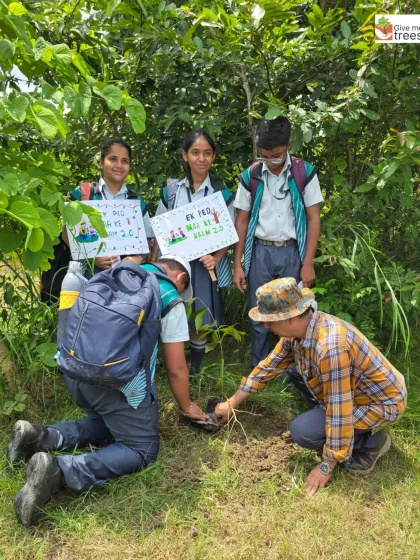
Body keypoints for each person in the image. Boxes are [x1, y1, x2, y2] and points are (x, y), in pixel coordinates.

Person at [7, 255, 208, 527]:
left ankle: (38, 436)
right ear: (181, 278)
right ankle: (58, 471)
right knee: (141, 448)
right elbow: (176, 368)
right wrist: (186, 406)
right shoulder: (170, 296)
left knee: (108, 423)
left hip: (75, 373)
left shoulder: (114, 274)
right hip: (115, 385)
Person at [214, 278, 407, 496]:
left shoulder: (330, 347)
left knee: (302, 432)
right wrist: (231, 403)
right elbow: (268, 367)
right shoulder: (297, 333)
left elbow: (339, 413)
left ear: (293, 318)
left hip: (381, 402)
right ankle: (337, 427)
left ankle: (371, 443)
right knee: (296, 372)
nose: (266, 325)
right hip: (351, 391)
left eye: (271, 320)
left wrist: (326, 465)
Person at [233, 116, 324, 367]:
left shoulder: (304, 173)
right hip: (260, 252)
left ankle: (293, 373)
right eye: (264, 156)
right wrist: (238, 263)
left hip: (292, 252)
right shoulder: (251, 175)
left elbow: (313, 217)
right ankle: (260, 371)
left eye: (276, 155)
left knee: (293, 315)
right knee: (261, 316)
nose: (271, 162)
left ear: (289, 145)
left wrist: (308, 262)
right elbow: (241, 219)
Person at [151, 129, 235, 375]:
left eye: (207, 153)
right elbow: (159, 227)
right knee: (172, 310)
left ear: (213, 157)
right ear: (185, 155)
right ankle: (171, 364)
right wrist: (154, 263)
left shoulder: (221, 193)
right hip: (173, 266)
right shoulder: (172, 191)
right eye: (195, 152)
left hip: (203, 265)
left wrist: (216, 257)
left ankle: (196, 367)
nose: (202, 159)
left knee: (201, 314)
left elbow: (228, 233)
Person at [67, 138, 154, 275]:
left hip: (126, 280)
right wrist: (92, 257)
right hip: (87, 277)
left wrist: (135, 259)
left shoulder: (136, 202)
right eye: (113, 159)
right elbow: (67, 235)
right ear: (101, 162)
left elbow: (147, 243)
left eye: (125, 161)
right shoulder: (83, 194)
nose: (119, 165)